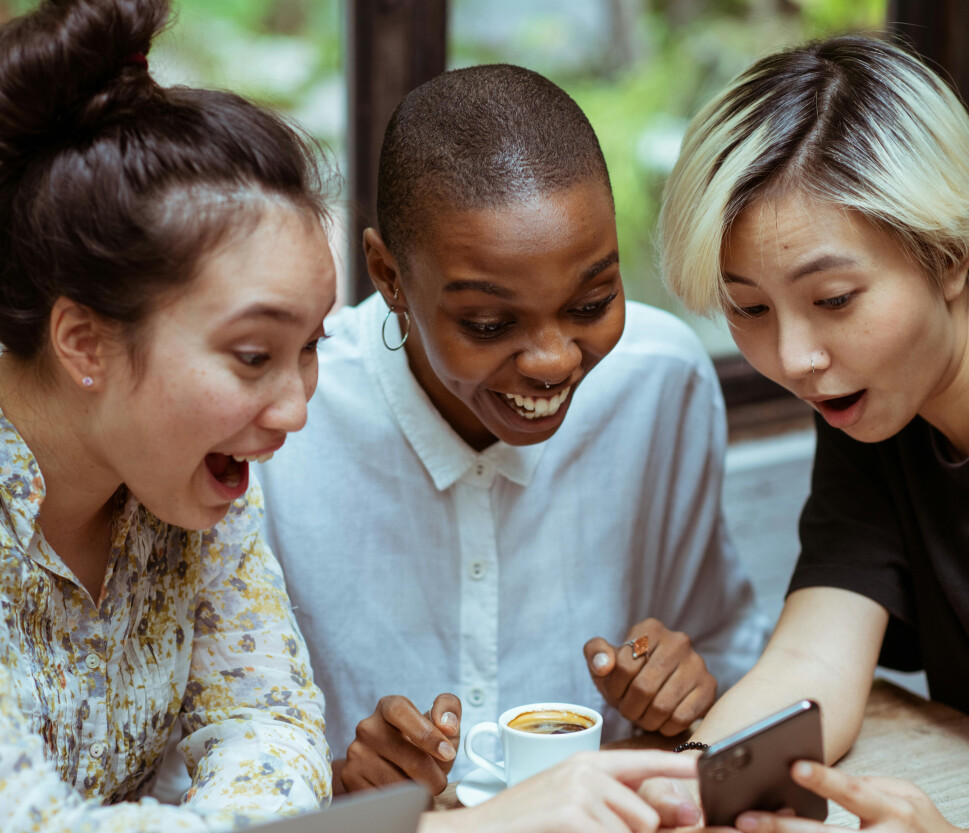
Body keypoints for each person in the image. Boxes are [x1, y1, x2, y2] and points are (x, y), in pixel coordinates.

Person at [0, 0, 700, 833]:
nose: (294, 409)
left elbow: (273, 734)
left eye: (311, 349)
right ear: (84, 342)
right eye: (253, 355)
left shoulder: (190, 488)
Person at [255, 62, 769, 796]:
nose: (554, 359)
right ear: (388, 275)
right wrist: (333, 784)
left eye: (592, 302)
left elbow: (727, 651)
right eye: (489, 323)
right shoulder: (286, 429)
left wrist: (686, 689)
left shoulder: (659, 381)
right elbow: (198, 760)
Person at [649, 34, 969, 833]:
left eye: (832, 300)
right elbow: (808, 660)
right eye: (747, 308)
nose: (794, 358)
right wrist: (694, 802)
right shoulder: (878, 409)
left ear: (948, 253)